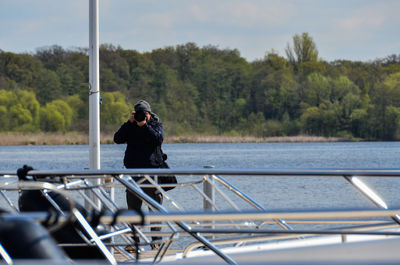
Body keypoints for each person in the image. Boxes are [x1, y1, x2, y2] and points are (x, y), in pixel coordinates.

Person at [113, 100, 164, 251]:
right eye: (138, 114)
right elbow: (117, 139)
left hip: (152, 172)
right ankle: (134, 241)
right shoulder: (131, 127)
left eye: (144, 114)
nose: (141, 117)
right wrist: (129, 123)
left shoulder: (155, 126)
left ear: (149, 114)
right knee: (133, 209)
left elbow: (158, 139)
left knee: (155, 208)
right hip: (133, 173)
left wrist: (145, 126)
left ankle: (156, 242)